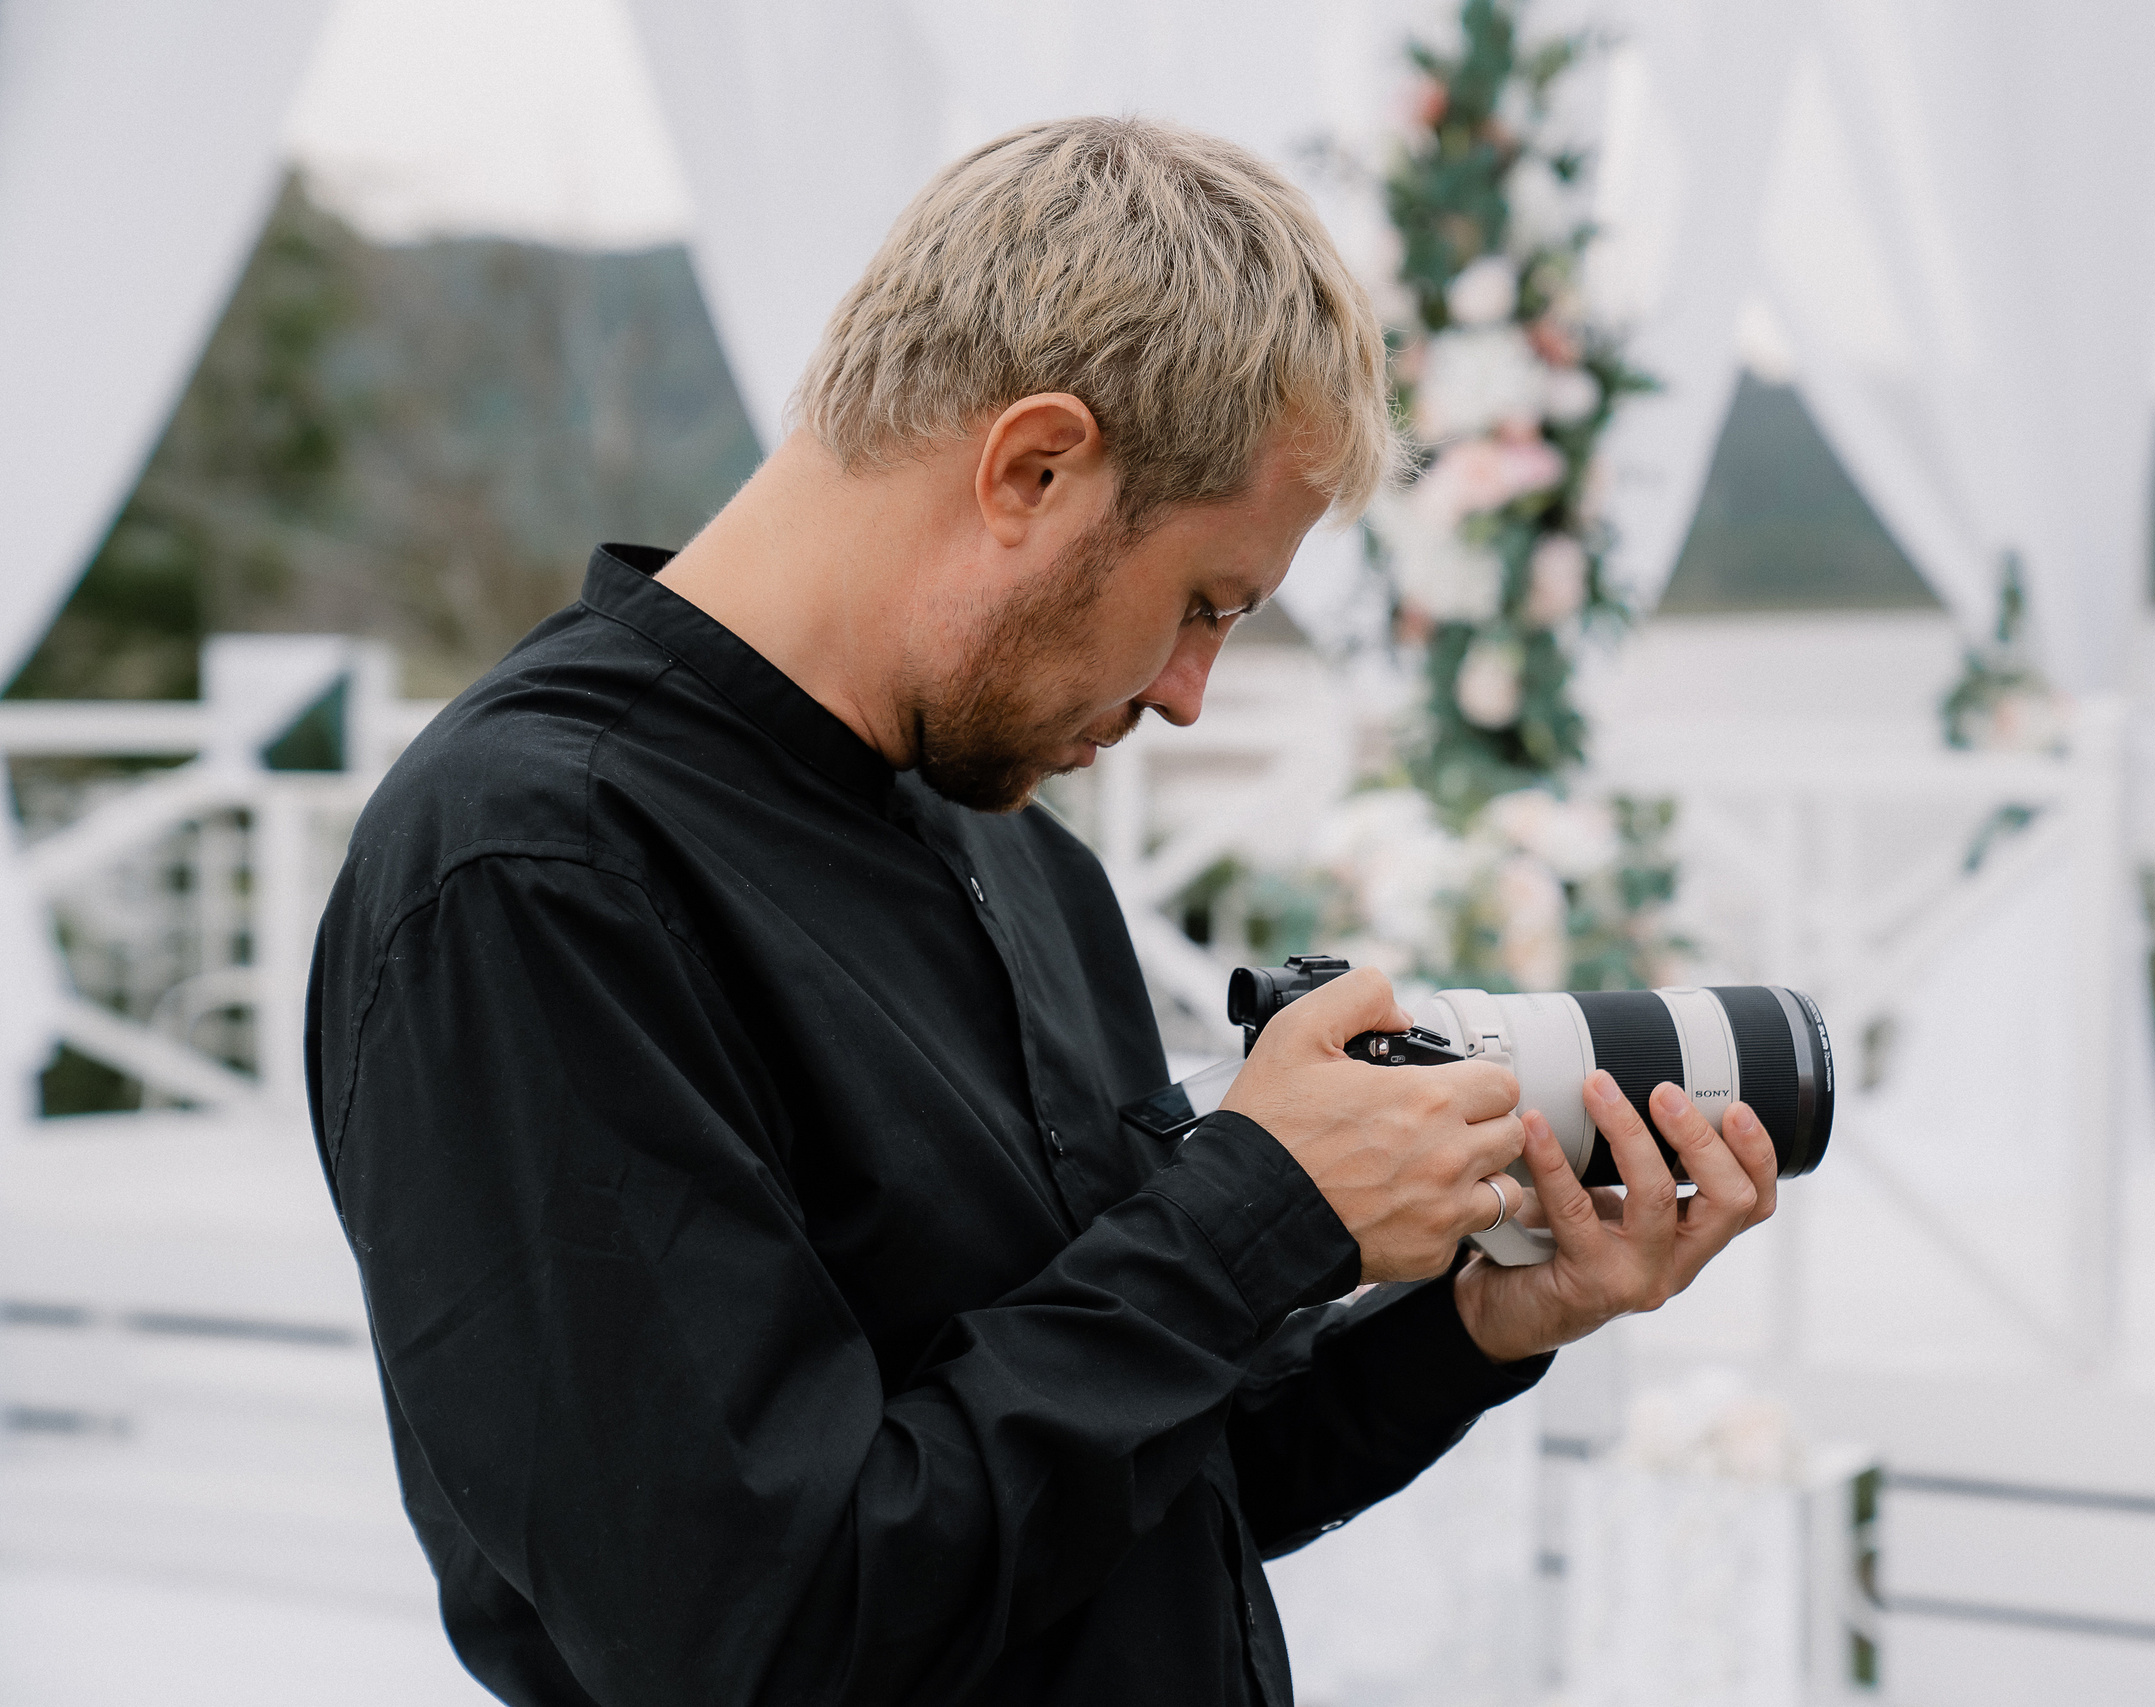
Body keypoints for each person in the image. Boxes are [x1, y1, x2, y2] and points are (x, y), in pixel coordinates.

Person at [305, 116, 1777, 1707]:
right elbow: (756, 1633)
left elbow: (1135, 1493)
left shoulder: (1012, 847)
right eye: (1205, 604)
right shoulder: (532, 872)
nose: (1193, 694)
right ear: (1035, 468)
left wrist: (1474, 1327)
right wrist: (1255, 1211)